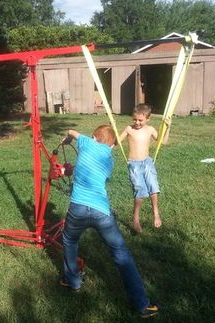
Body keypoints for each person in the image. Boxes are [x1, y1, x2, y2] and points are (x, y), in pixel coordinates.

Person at [60, 125, 159, 319]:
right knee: (120, 253)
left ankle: (73, 281)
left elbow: (71, 131)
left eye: (91, 137)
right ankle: (142, 305)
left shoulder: (88, 143)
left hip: (78, 207)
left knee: (70, 241)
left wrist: (68, 139)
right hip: (101, 211)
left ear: (94, 137)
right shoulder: (109, 160)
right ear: (111, 143)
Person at [119, 103, 171, 233]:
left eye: (140, 120)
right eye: (134, 119)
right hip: (134, 164)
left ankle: (156, 212)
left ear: (148, 119)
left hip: (147, 162)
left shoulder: (150, 129)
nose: (137, 122)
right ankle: (135, 218)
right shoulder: (129, 129)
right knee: (140, 191)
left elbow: (163, 142)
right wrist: (111, 127)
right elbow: (116, 141)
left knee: (153, 186)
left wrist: (168, 127)